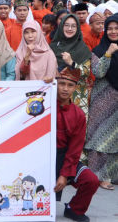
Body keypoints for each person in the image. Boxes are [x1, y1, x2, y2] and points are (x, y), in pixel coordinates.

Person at [54, 67, 99, 222]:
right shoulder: (42, 105)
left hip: (66, 157)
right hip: (43, 158)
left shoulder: (78, 115)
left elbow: (75, 148)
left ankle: (74, 209)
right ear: (55, 84)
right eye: (61, 84)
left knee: (91, 180)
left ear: (75, 88)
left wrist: (64, 174)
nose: (65, 89)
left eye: (70, 85)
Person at [85, 14, 118, 190]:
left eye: (116, 28)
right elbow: (98, 72)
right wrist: (108, 53)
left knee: (115, 139)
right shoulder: (99, 50)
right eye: (110, 28)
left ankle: (112, 175)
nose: (112, 31)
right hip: (103, 100)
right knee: (100, 138)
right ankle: (98, 176)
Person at [50, 14, 92, 115]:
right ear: (61, 27)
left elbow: (86, 72)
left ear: (78, 28)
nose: (70, 29)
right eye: (66, 25)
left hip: (76, 97)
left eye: (73, 26)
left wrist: (71, 63)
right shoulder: (52, 46)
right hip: (55, 95)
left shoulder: (82, 49)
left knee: (76, 128)